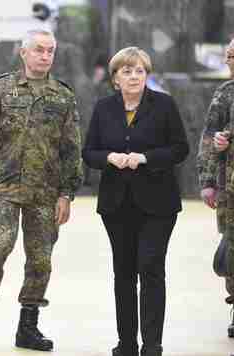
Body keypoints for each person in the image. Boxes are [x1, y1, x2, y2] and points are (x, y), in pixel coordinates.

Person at [0, 28, 83, 351]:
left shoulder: (63, 97)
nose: (45, 56)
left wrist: (66, 194)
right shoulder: (0, 90)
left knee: (41, 260)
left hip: (45, 193)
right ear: (24, 53)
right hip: (3, 187)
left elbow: (70, 149)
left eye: (50, 51)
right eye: (39, 50)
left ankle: (28, 327)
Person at [82, 46, 189, 356]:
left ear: (147, 75)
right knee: (124, 273)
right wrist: (109, 158)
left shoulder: (165, 105)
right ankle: (126, 344)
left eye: (139, 70)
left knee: (151, 268)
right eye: (126, 71)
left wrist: (145, 157)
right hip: (117, 204)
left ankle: (152, 345)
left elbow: (180, 149)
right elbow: (89, 152)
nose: (133, 76)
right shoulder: (104, 108)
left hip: (158, 204)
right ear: (115, 78)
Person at [196, 31, 234, 342]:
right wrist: (207, 180)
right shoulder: (227, 92)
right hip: (231, 193)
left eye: (231, 56)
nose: (226, 61)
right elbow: (209, 135)